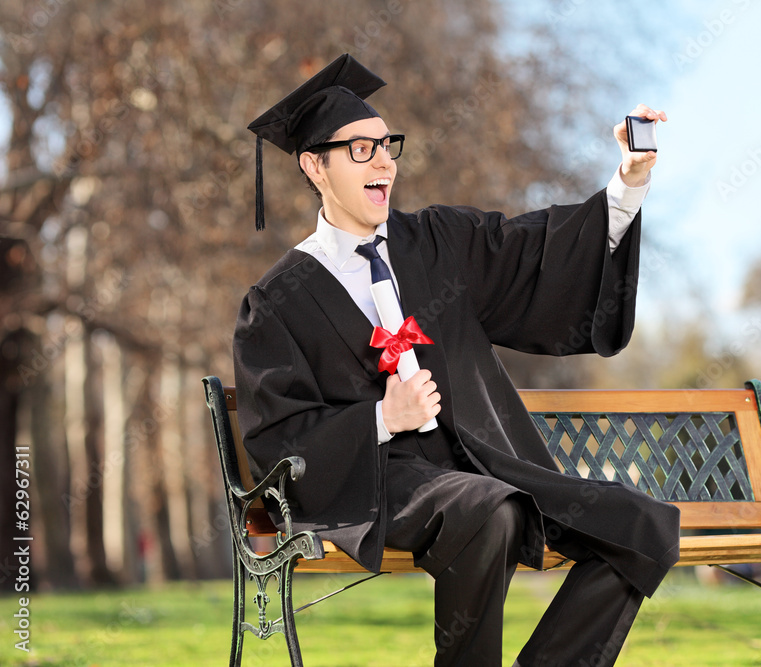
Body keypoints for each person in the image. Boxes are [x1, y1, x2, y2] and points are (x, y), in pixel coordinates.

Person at [234, 54, 679, 667]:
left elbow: (537, 254)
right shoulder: (279, 299)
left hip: (483, 459)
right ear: (316, 166)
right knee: (489, 511)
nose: (384, 160)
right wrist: (382, 419)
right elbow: (277, 439)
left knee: (642, 523)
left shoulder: (440, 244)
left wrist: (627, 182)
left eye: (387, 145)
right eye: (361, 149)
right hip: (377, 480)